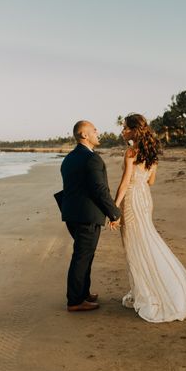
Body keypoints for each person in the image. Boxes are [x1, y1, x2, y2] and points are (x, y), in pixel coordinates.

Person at [114, 113, 186, 322]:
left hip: (132, 199)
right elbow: (151, 181)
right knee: (146, 238)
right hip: (145, 198)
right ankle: (150, 289)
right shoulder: (152, 152)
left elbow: (125, 182)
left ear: (134, 130)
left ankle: (149, 291)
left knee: (135, 243)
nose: (122, 131)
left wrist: (114, 208)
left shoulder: (130, 152)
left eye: (125, 127)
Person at [57, 120, 121, 312]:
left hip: (71, 213)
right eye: (94, 130)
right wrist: (114, 213)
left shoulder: (69, 158)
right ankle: (75, 301)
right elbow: (99, 190)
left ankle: (83, 293)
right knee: (82, 257)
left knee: (85, 255)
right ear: (84, 135)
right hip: (86, 215)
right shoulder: (91, 159)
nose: (97, 132)